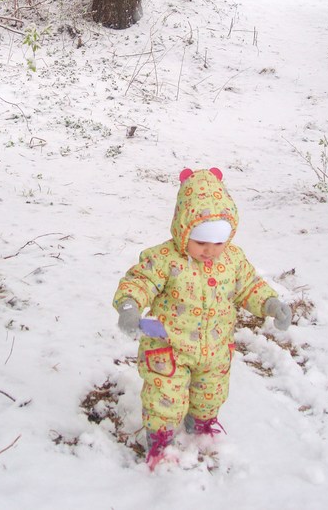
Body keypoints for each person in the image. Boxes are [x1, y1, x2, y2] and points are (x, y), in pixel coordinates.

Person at [113, 167, 292, 469]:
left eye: (218, 243)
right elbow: (141, 281)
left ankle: (202, 423)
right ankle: (161, 438)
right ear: (183, 230)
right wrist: (130, 304)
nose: (210, 251)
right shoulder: (165, 259)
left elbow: (249, 286)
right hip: (169, 349)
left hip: (215, 349)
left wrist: (271, 304)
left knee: (211, 393)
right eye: (201, 243)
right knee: (164, 396)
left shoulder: (233, 260)